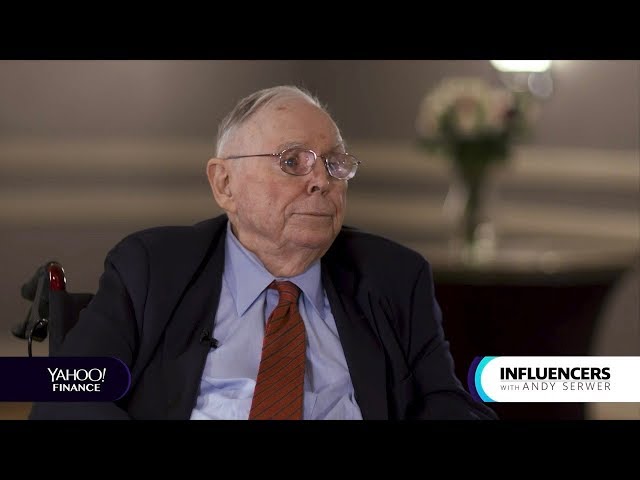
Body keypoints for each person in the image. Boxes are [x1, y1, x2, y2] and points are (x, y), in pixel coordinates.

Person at [29, 85, 497, 420]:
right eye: (292, 162)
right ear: (224, 184)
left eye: (334, 164)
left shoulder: (394, 276)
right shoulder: (150, 268)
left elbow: (445, 401)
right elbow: (65, 398)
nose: (322, 181)